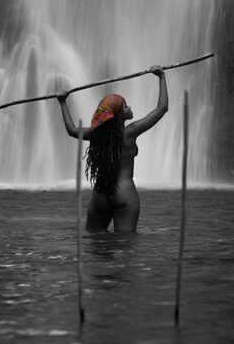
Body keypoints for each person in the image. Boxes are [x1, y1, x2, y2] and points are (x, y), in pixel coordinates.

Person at [57, 66, 168, 232]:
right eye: (125, 107)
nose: (129, 108)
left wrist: (62, 102)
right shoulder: (129, 133)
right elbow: (162, 108)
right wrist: (161, 77)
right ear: (118, 115)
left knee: (96, 244)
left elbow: (72, 130)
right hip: (124, 195)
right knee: (125, 248)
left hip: (100, 195)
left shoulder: (95, 133)